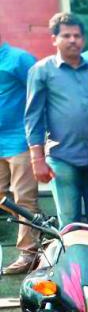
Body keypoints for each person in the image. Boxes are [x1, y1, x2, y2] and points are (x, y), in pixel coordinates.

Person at [25, 12, 88, 239]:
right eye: (66, 35)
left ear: (84, 40)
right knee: (69, 221)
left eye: (77, 36)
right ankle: (73, 271)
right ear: (54, 39)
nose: (72, 40)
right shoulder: (42, 71)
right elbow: (33, 117)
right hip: (62, 158)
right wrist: (37, 159)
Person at [0, 33, 39, 274]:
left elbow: (40, 91)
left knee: (24, 197)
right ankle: (38, 226)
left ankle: (29, 252)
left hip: (20, 140)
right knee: (4, 196)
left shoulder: (18, 59)